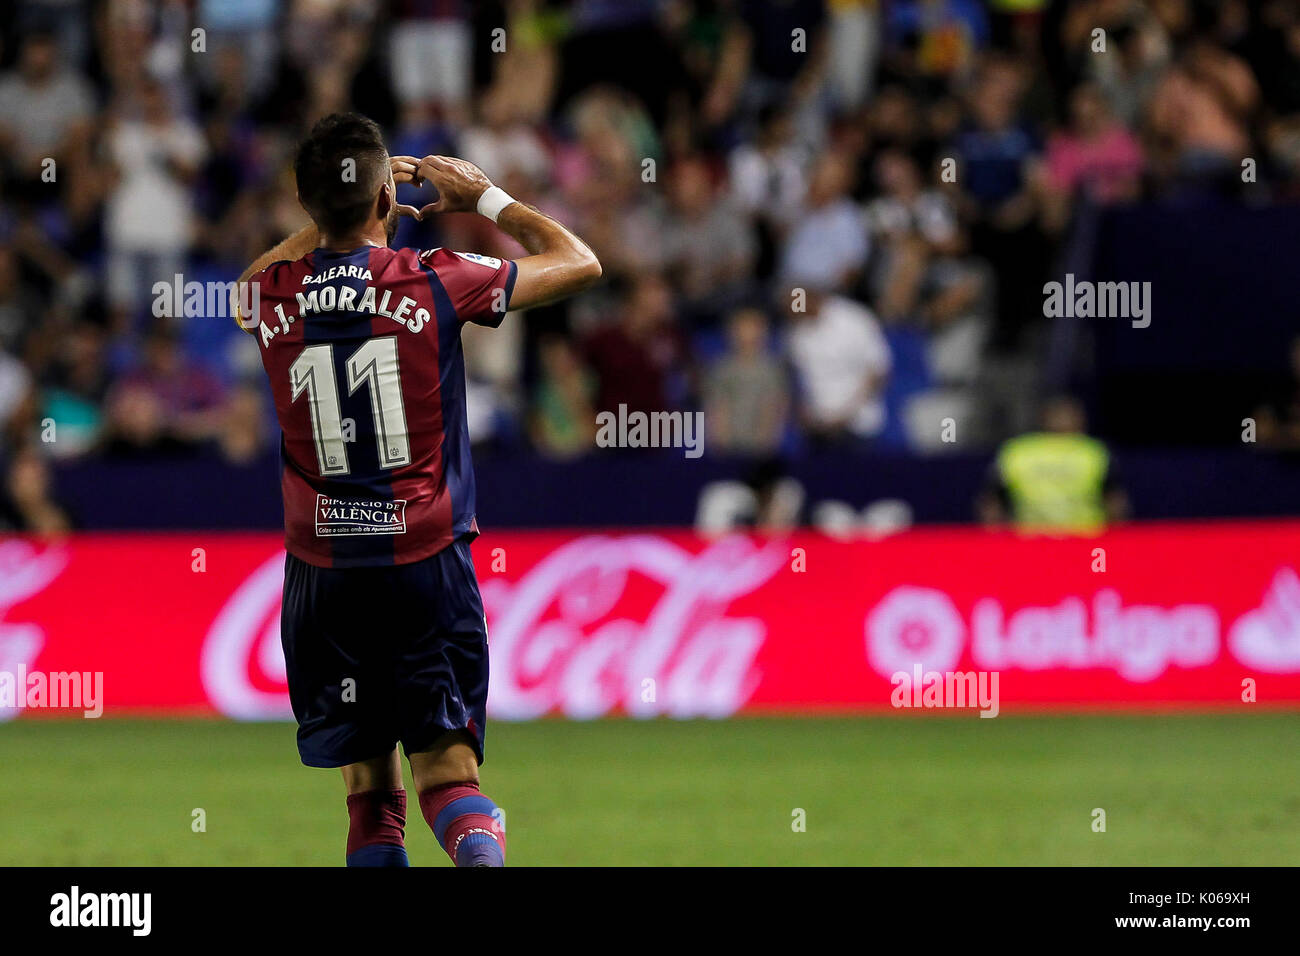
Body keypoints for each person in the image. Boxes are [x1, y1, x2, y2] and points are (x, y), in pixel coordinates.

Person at [233, 113, 600, 867]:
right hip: (425, 565)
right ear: (385, 203)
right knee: (449, 776)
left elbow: (242, 289)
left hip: (325, 579)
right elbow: (579, 261)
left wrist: (336, 212)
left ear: (305, 207)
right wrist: (485, 197)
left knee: (371, 797)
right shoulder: (433, 275)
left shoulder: (272, 297)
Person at [978, 395, 1128, 533]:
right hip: (1031, 542)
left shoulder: (1094, 452)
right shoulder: (1016, 452)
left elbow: (1114, 502)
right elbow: (993, 503)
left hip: (1084, 539)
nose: (1063, 419)